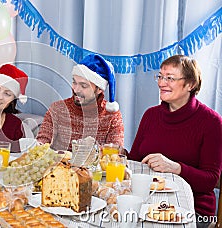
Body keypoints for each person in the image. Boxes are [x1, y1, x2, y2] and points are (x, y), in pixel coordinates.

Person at [127, 55, 222, 226]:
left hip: (194, 209)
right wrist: (121, 155)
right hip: (147, 201)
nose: (162, 83)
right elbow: (135, 161)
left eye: (170, 78)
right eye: (160, 76)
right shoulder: (150, 115)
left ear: (191, 84)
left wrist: (176, 168)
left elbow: (210, 180)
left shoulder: (211, 122)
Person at [36, 54, 124, 151]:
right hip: (59, 165)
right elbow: (42, 141)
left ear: (99, 89)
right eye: (74, 82)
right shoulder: (57, 109)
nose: (76, 89)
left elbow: (114, 152)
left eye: (84, 86)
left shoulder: (112, 116)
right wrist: (36, 146)